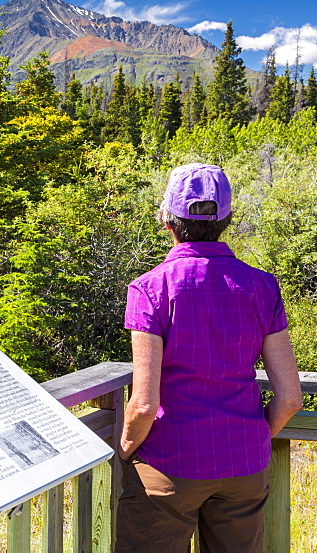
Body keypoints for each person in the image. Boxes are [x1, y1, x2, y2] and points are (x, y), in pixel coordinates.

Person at [115, 163, 302, 553]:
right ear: (227, 220)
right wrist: (253, 438)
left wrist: (127, 448)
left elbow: (144, 403)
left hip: (169, 463)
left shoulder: (150, 289)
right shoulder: (262, 285)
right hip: (243, 466)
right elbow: (289, 399)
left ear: (167, 220)